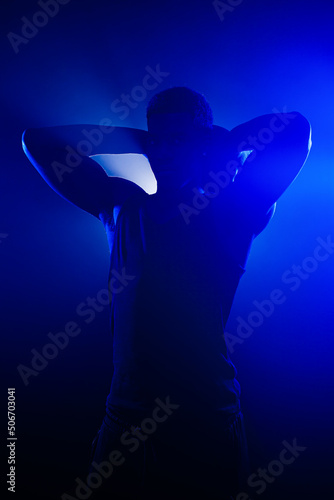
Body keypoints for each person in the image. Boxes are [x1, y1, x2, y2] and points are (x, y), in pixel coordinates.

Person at [22, 87, 312, 499]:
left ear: (204, 142)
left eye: (180, 139)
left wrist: (219, 143)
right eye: (158, 139)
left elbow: (295, 131)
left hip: (207, 424)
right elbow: (37, 141)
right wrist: (140, 140)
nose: (165, 151)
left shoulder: (233, 210)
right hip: (124, 420)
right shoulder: (121, 205)